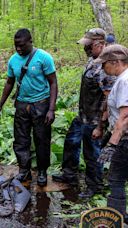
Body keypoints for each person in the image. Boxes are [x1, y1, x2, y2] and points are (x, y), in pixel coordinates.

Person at [52, 28, 114, 198]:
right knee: (71, 143)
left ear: (100, 44)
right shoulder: (92, 60)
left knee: (92, 154)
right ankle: (69, 175)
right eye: (85, 45)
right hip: (83, 115)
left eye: (89, 45)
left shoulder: (106, 67)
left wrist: (100, 125)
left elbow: (108, 99)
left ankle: (95, 186)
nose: (85, 48)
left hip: (95, 119)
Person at [0, 28, 58, 187]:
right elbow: (9, 82)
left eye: (22, 45)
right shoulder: (13, 60)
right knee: (21, 139)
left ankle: (42, 171)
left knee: (42, 140)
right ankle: (24, 170)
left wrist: (51, 109)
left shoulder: (44, 58)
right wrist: (0, 104)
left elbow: (53, 82)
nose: (18, 49)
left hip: (41, 104)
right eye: (16, 45)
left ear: (30, 41)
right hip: (22, 105)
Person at [96, 44, 128, 219]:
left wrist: (112, 144)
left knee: (116, 178)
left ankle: (115, 218)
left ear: (116, 62)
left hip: (125, 139)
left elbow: (125, 117)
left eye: (105, 64)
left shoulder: (124, 81)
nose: (103, 68)